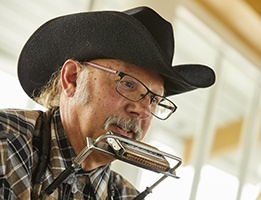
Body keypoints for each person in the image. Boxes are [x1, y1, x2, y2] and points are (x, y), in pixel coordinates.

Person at [0, 6, 215, 200]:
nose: (142, 111)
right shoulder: (6, 144)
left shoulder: (125, 195)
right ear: (72, 78)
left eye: (153, 100)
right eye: (128, 84)